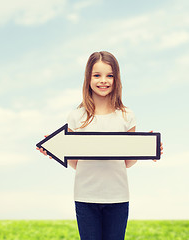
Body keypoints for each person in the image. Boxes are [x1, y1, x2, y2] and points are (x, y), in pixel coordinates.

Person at [37, 51, 163, 240]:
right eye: (97, 75)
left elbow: (128, 162)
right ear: (88, 78)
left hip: (118, 197)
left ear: (116, 79)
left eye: (109, 75)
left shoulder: (126, 116)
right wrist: (55, 150)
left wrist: (147, 149)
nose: (103, 80)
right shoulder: (76, 116)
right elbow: (76, 163)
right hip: (85, 197)